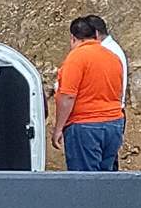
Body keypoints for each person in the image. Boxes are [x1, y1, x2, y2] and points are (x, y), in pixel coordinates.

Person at [52, 17, 124, 171]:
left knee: (85, 183)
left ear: (73, 38)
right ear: (96, 35)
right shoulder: (113, 57)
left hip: (85, 126)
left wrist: (58, 128)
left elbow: (67, 96)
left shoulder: (76, 58)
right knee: (106, 180)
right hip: (114, 124)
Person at [85, 15, 128, 170]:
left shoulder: (106, 52)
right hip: (113, 114)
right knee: (108, 165)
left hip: (104, 114)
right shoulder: (113, 49)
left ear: (95, 34)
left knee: (101, 166)